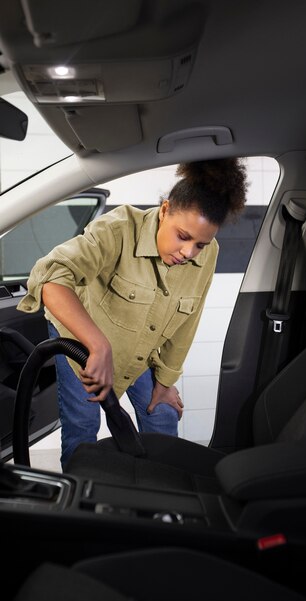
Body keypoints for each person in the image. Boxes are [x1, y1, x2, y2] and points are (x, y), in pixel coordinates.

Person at [17, 158, 248, 468]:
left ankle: (162, 493)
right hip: (82, 342)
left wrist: (165, 383)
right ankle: (78, 506)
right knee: (83, 427)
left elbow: (187, 322)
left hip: (138, 346)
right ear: (165, 210)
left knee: (163, 413)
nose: (189, 252)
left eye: (200, 245)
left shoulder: (209, 254)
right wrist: (98, 346)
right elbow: (50, 279)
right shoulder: (118, 229)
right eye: (182, 236)